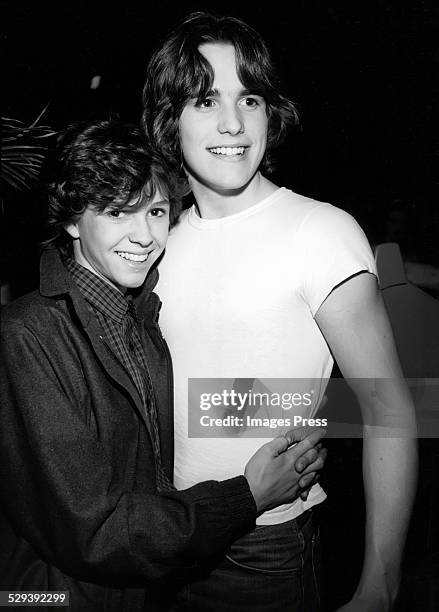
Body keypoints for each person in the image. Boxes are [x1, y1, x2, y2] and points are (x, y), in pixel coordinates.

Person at [142, 12, 418, 612]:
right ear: (171, 120)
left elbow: (387, 405)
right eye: (206, 99)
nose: (232, 124)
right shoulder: (153, 241)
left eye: (250, 99)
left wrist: (380, 585)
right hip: (160, 543)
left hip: (261, 555)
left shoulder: (319, 231)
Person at [0, 119, 327, 611]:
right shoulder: (27, 333)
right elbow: (96, 530)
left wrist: (313, 421)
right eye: (116, 212)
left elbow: (181, 413)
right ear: (71, 220)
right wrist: (248, 496)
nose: (143, 235)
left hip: (151, 586)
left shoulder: (142, 313)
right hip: (50, 595)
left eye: (154, 211)